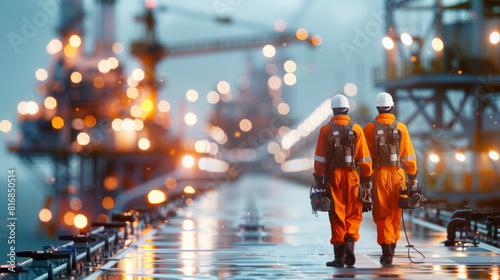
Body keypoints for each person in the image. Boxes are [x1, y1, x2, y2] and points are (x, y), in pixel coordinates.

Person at [313, 94, 373, 268]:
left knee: (337, 214)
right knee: (355, 212)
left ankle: (339, 257)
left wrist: (318, 177)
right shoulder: (357, 129)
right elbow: (365, 158)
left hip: (333, 176)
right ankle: (350, 242)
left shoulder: (326, 129)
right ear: (347, 109)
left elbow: (320, 157)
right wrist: (367, 179)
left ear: (333, 110)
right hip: (353, 175)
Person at [363, 92, 418, 265]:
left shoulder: (370, 128)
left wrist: (365, 179)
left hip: (378, 175)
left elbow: (364, 157)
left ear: (377, 107)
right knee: (396, 212)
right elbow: (409, 155)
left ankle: (386, 252)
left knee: (381, 214)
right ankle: (392, 246)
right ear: (392, 106)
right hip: (398, 175)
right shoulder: (401, 127)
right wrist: (413, 177)